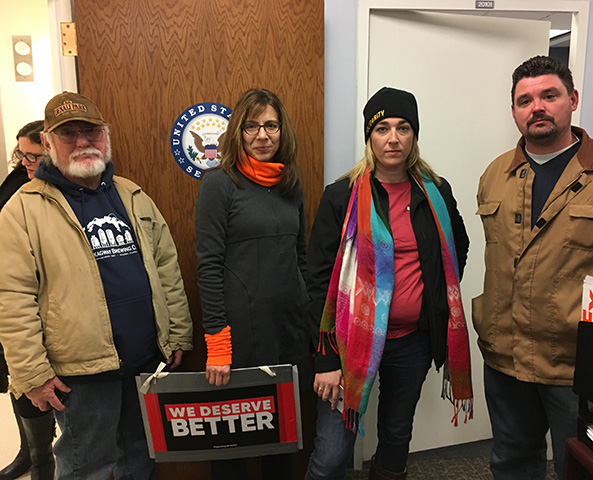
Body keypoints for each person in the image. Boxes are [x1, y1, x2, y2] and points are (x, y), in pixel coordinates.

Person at [0, 92, 193, 480]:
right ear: (49, 144)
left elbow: (166, 267)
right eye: (69, 134)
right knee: (87, 468)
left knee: (141, 459)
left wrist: (177, 335)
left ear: (106, 137)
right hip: (79, 377)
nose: (83, 142)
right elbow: (12, 298)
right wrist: (32, 374)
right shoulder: (22, 210)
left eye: (92, 132)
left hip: (143, 363)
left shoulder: (131, 194)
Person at [473, 55, 593, 479]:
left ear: (573, 100)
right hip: (506, 357)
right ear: (514, 111)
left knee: (583, 467)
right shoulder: (495, 174)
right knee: (511, 460)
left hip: (578, 365)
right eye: (525, 100)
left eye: (550, 95)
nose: (537, 107)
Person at [305, 87, 472, 480]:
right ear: (370, 136)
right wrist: (326, 358)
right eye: (382, 128)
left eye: (403, 127)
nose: (393, 138)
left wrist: (431, 300)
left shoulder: (436, 191)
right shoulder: (341, 196)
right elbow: (318, 280)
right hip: (348, 344)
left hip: (413, 341)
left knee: (396, 437)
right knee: (331, 454)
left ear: (414, 135)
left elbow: (456, 249)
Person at [195, 88, 310, 479]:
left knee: (281, 441)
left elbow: (301, 259)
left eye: (271, 125)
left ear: (283, 131)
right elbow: (208, 266)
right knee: (233, 448)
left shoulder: (292, 186)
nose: (263, 135)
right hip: (238, 341)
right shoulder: (219, 184)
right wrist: (218, 344)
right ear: (238, 133)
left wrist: (309, 326)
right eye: (252, 126)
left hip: (288, 336)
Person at [0, 120, 56, 480]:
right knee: (15, 379)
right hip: (8, 298)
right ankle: (31, 454)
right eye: (21, 154)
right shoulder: (17, 185)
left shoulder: (57, 191)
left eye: (32, 155)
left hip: (42, 306)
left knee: (41, 384)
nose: (25, 161)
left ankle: (44, 462)